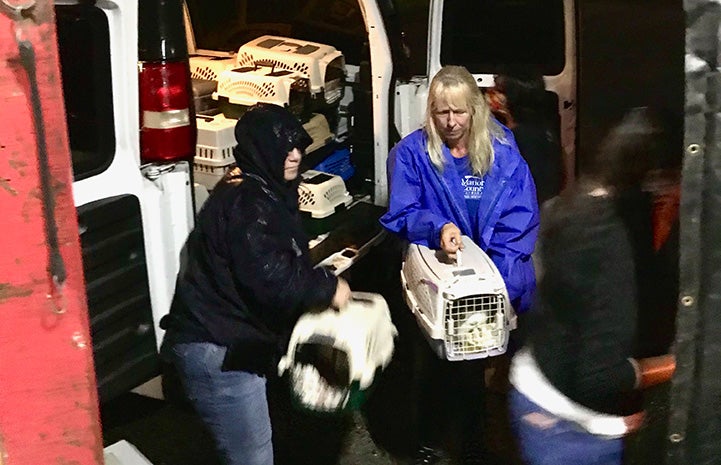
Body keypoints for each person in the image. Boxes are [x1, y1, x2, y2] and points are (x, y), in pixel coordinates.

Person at [159, 103, 352, 465]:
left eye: (298, 145)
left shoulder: (264, 188)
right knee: (252, 456)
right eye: (284, 149)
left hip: (234, 342)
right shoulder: (248, 202)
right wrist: (327, 286)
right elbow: (272, 278)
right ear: (262, 151)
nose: (295, 155)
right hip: (221, 352)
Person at [380, 65, 540, 465]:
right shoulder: (412, 154)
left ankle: (471, 445)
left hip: (486, 284)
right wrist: (437, 228)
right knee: (428, 365)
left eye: (459, 112)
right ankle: (427, 442)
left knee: (472, 369)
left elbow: (519, 221)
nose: (450, 122)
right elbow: (403, 211)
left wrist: (493, 287)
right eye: (440, 112)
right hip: (436, 282)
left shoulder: (504, 152)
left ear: (476, 110)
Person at [507, 107, 676, 465]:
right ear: (659, 180)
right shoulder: (608, 242)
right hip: (567, 429)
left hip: (532, 386)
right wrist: (679, 366)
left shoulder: (567, 205)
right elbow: (599, 374)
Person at [491, 71, 563, 205]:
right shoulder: (544, 131)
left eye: (498, 91)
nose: (491, 94)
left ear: (513, 97)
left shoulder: (521, 138)